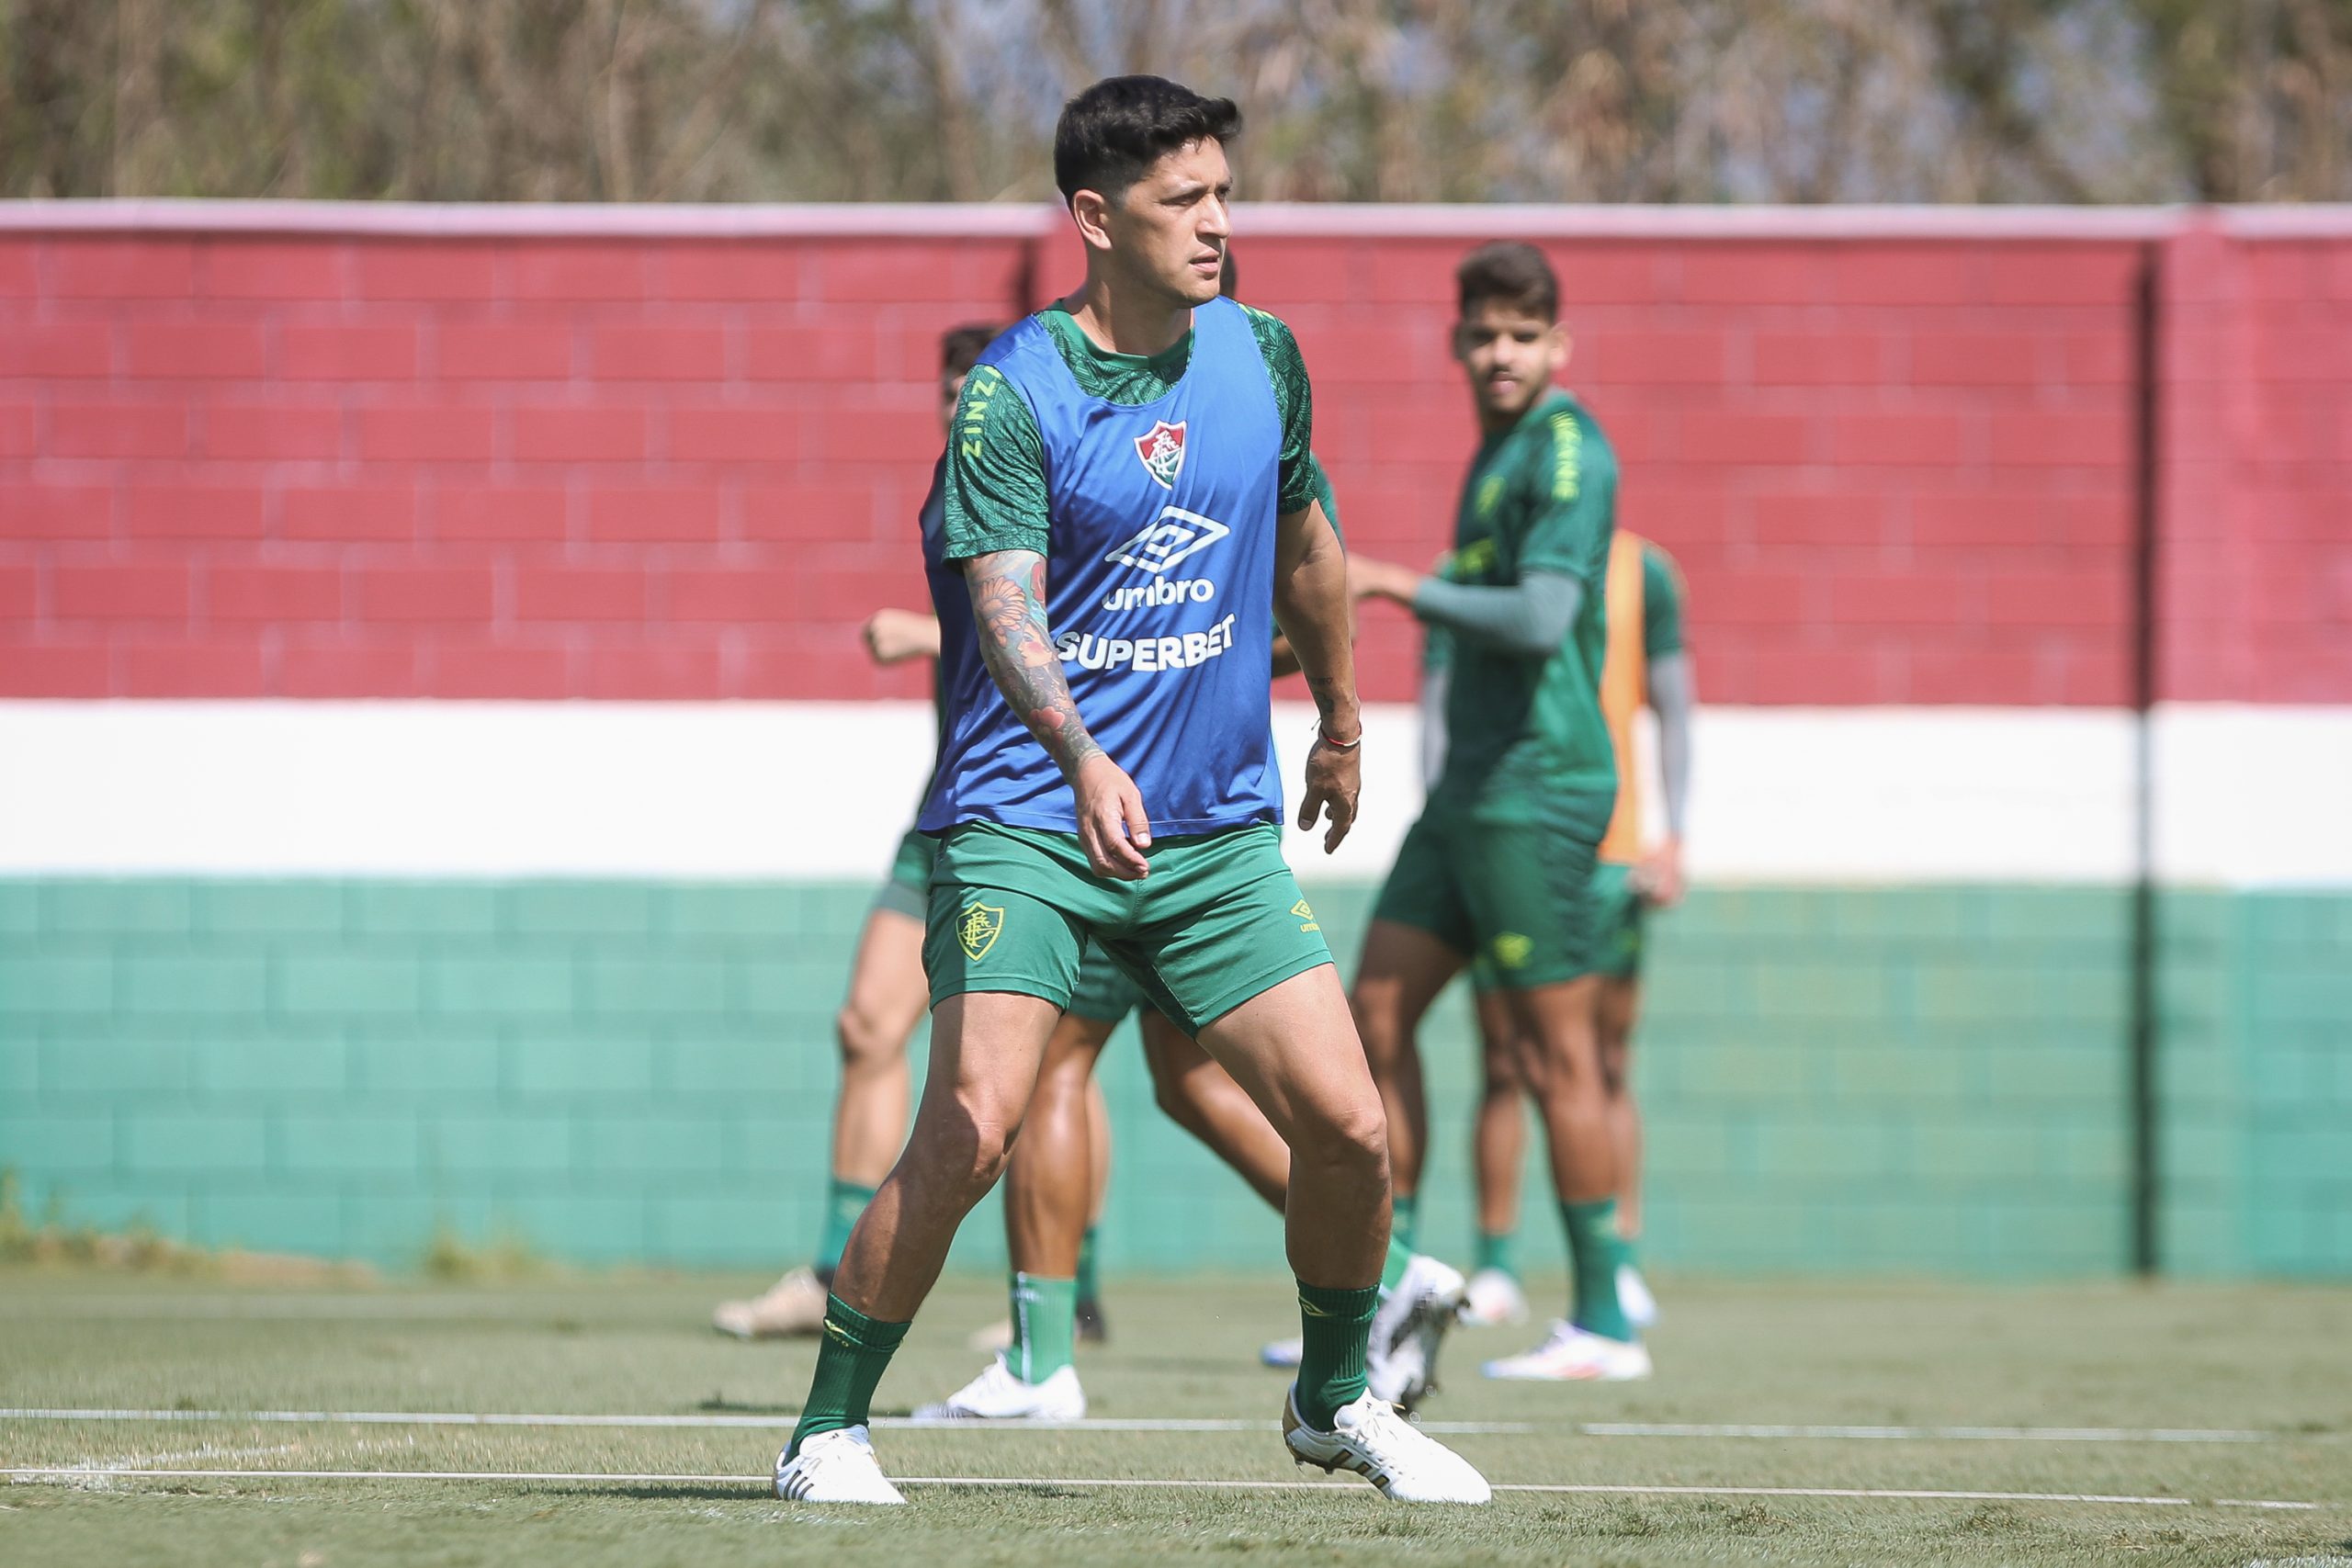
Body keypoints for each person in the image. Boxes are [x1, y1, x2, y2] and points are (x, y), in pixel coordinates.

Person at [770, 75, 1488, 1506]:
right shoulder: (1012, 392)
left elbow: (1312, 547)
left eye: (1224, 193)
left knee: (1350, 1127)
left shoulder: (1264, 356)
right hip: (1029, 823)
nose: (1218, 223)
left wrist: (1342, 719)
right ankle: (828, 1427)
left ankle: (1335, 1393)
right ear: (1096, 219)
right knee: (975, 1118)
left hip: (1214, 832)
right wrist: (1084, 755)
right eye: (1184, 201)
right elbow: (1003, 606)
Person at [922, 437, 1471, 1422]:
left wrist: (1196, 659)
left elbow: (1307, 601)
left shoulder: (1222, 429)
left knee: (1056, 1067)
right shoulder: (1200, 418)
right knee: (1189, 1085)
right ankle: (1394, 1277)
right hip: (1191, 814)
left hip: (1127, 823)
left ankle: (1043, 1358)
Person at [714, 322, 1126, 1342]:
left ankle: (1070, 1295)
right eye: (950, 387)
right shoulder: (954, 482)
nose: (962, 402)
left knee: (1064, 1064)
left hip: (1046, 813)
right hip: (947, 808)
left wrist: (926, 632)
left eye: (978, 384)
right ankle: (829, 1270)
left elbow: (1057, 630)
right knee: (866, 1026)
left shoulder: (1067, 475)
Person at [1347, 240, 1651, 1384]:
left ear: (1557, 347)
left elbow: (1534, 620)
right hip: (1464, 792)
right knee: (1370, 1017)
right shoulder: (1492, 458)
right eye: (1482, 334)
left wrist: (1387, 584)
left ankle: (1605, 1324)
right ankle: (1394, 1292)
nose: (1500, 353)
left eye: (1523, 335)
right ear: (1456, 344)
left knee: (1554, 1055)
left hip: (1542, 788)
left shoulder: (1569, 451)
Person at [1454, 532, 1695, 1337]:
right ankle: (1495, 1264)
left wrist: (1676, 833)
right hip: (1507, 841)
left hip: (1611, 854)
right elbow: (1439, 703)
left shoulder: (1643, 572)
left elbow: (1672, 702)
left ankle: (1613, 1264)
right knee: (1505, 1063)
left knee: (1603, 1062)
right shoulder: (1479, 565)